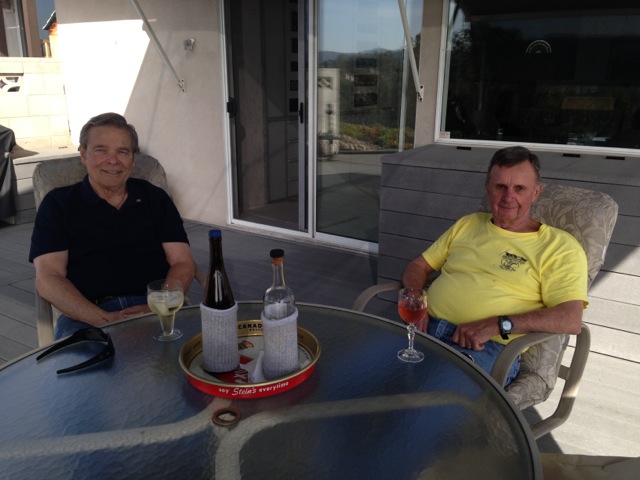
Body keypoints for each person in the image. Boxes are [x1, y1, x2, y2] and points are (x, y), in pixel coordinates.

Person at [402, 146, 588, 385]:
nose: (508, 197)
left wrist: (498, 324)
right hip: (424, 329)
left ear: (535, 192)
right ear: (488, 187)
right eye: (500, 187)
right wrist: (416, 299)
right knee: (365, 370)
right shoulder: (468, 224)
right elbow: (418, 266)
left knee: (426, 393)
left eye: (519, 188)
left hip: (484, 348)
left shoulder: (559, 246)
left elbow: (570, 318)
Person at [29, 112, 195, 339]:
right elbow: (49, 277)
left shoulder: (154, 198)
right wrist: (106, 320)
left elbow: (182, 261)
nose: (113, 161)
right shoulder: (59, 204)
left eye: (122, 152)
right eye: (101, 150)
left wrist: (160, 306)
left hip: (157, 308)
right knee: (90, 362)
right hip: (87, 316)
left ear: (133, 159)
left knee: (206, 355)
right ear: (83, 154)